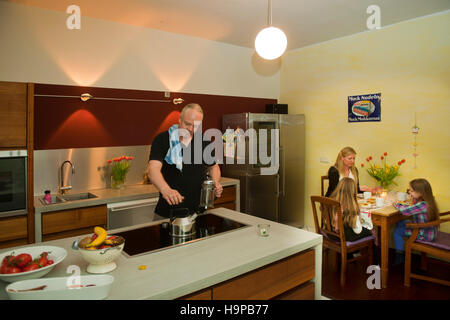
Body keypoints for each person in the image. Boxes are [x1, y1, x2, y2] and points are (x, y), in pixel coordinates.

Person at [146, 103, 223, 218]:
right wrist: (166, 190)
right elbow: (153, 169)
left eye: (195, 126)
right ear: (179, 119)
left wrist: (215, 182)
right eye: (187, 124)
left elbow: (213, 166)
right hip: (168, 213)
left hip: (198, 213)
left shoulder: (204, 141)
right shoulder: (162, 139)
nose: (191, 129)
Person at [392, 178, 439, 265]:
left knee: (397, 232)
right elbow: (412, 207)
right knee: (401, 223)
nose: (409, 192)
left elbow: (405, 211)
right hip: (430, 230)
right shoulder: (428, 201)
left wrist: (396, 203)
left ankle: (399, 256)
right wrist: (412, 198)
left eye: (412, 191)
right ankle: (400, 248)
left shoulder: (422, 205)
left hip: (424, 234)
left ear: (421, 193)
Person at [330, 177, 373, 242]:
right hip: (346, 236)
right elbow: (358, 231)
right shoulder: (351, 207)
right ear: (352, 192)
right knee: (371, 231)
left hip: (333, 234)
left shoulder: (333, 200)